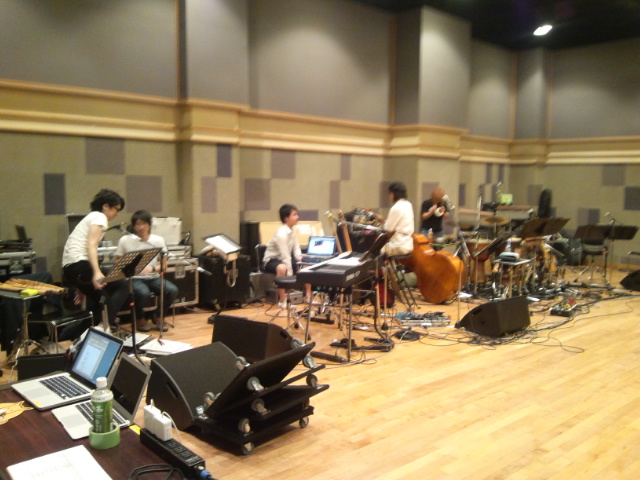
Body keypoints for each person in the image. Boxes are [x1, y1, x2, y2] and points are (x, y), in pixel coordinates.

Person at [62, 189, 129, 330]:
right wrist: (97, 272)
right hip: (79, 265)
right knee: (112, 294)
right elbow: (91, 245)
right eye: (116, 209)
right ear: (106, 206)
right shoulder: (100, 217)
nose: (117, 213)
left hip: (74, 267)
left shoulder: (92, 217)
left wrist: (81, 287)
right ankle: (102, 329)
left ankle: (90, 330)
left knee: (106, 296)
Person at [115, 210, 179, 332]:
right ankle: (140, 318)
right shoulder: (125, 240)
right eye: (137, 224)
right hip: (134, 278)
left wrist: (152, 268)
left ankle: (158, 315)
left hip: (153, 277)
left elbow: (164, 265)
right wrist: (129, 265)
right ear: (134, 226)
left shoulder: (158, 240)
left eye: (144, 223)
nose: (141, 227)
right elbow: (116, 261)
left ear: (149, 224)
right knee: (143, 292)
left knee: (172, 290)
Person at [262, 204, 311, 309]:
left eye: (297, 214)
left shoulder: (292, 231)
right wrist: (290, 275)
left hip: (285, 258)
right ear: (286, 218)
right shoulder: (281, 234)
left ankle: (308, 296)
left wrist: (300, 259)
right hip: (271, 260)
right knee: (282, 268)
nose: (297, 217)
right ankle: (282, 300)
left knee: (306, 265)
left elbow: (296, 248)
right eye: (294, 215)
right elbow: (285, 256)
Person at [382, 182, 415, 256]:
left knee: (374, 252)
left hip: (398, 245)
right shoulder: (408, 204)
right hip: (408, 244)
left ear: (393, 194)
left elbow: (388, 229)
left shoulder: (396, 208)